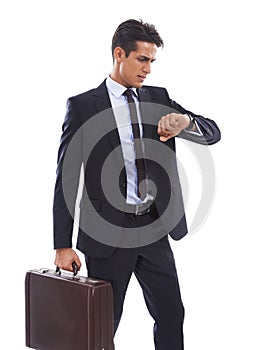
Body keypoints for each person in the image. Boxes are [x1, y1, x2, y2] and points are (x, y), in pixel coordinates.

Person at [53, 19, 221, 350]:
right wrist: (62, 244)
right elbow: (66, 178)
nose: (148, 70)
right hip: (106, 232)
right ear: (120, 54)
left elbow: (213, 133)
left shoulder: (159, 98)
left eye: (152, 62)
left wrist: (185, 122)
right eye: (142, 60)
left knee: (172, 313)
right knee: (102, 323)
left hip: (153, 226)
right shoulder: (85, 106)